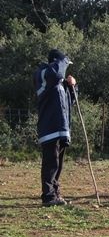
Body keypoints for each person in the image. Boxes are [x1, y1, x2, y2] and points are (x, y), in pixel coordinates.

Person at [34, 49, 77, 206]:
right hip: (49, 127)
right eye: (65, 64)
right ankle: (48, 197)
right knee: (50, 164)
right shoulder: (44, 74)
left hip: (61, 128)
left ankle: (55, 193)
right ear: (57, 62)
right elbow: (56, 73)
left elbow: (71, 102)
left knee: (57, 164)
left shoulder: (59, 83)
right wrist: (63, 60)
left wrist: (73, 87)